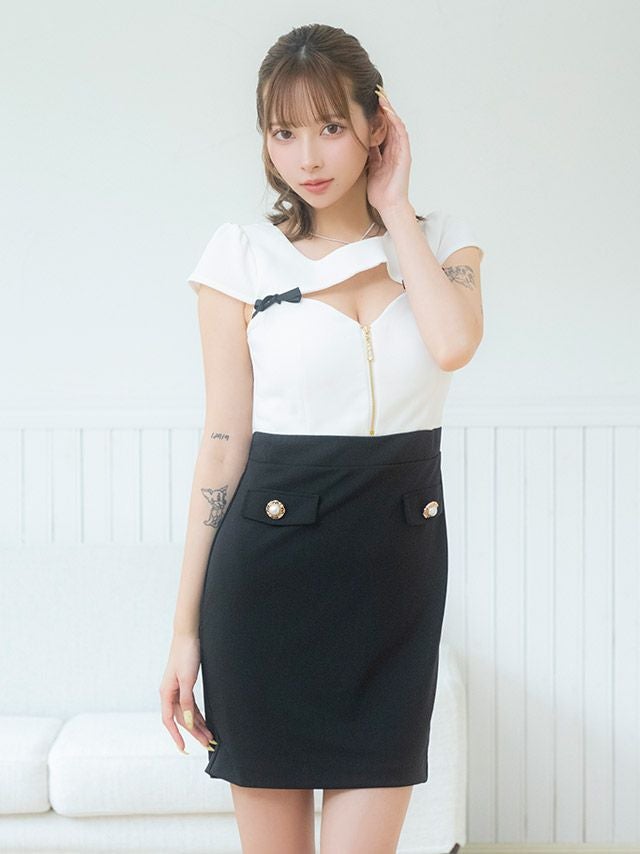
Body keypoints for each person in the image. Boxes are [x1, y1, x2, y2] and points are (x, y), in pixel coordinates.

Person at [159, 22, 484, 854]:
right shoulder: (242, 257)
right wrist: (185, 630)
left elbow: (452, 344)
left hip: (394, 578)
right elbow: (223, 443)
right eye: (284, 132)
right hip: (265, 578)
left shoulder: (440, 241)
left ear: (378, 123)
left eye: (332, 126)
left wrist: (394, 207)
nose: (307, 156)